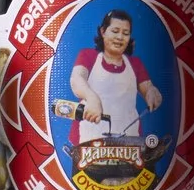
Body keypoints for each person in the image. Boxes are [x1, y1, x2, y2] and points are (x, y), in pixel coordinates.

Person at [70, 8, 163, 142]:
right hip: (89, 142)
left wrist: (152, 93)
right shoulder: (88, 56)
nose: (120, 37)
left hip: (129, 142)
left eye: (125, 33)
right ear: (103, 32)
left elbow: (147, 88)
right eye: (115, 31)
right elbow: (77, 79)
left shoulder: (135, 64)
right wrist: (91, 98)